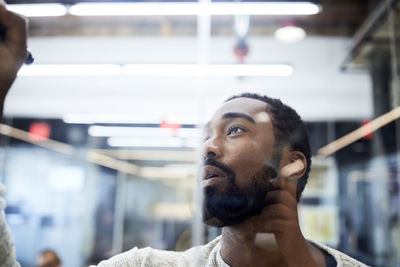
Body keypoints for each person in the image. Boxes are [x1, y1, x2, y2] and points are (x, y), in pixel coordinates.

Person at [0, 5, 368, 267]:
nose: (208, 146)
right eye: (206, 136)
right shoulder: (144, 265)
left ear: (291, 165)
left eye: (235, 130)